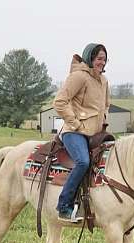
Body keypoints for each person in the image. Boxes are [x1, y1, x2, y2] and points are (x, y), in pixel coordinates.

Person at [53, 43, 110, 222]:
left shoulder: (104, 80)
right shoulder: (78, 76)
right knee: (83, 162)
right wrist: (75, 123)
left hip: (95, 133)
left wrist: (103, 121)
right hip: (74, 132)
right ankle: (64, 206)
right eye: (99, 58)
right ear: (90, 58)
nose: (102, 62)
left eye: (104, 59)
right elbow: (59, 101)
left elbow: (106, 104)